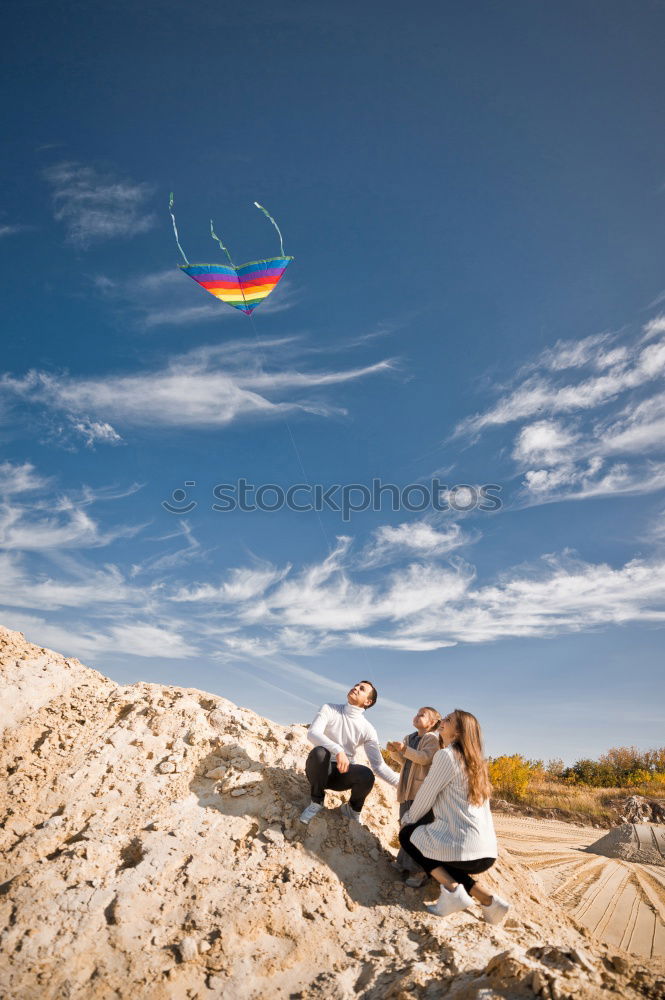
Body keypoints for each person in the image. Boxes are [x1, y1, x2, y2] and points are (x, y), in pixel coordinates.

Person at [398, 709, 510, 924]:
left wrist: (408, 820)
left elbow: (426, 794)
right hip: (486, 852)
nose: (442, 721)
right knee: (444, 861)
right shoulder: (477, 763)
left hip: (464, 846)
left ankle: (452, 891)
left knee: (409, 835)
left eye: (448, 720)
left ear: (458, 732)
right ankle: (489, 901)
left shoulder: (446, 755)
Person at [299, 680, 399, 824]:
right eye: (356, 685)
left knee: (367, 774)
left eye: (362, 689)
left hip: (342, 775)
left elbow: (379, 766)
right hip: (319, 771)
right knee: (320, 752)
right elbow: (313, 733)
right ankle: (316, 801)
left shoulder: (368, 729)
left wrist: (400, 784)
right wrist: (338, 750)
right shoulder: (329, 708)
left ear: (368, 701)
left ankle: (352, 809)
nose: (356, 688)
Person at [386, 706, 441, 887]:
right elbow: (405, 761)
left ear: (432, 723)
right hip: (406, 790)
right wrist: (395, 751)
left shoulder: (432, 739)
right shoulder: (410, 738)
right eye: (416, 713)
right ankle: (403, 863)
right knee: (404, 826)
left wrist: (405, 749)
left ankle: (419, 871)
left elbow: (424, 758)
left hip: (420, 793)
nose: (417, 716)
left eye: (422, 715)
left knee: (418, 830)